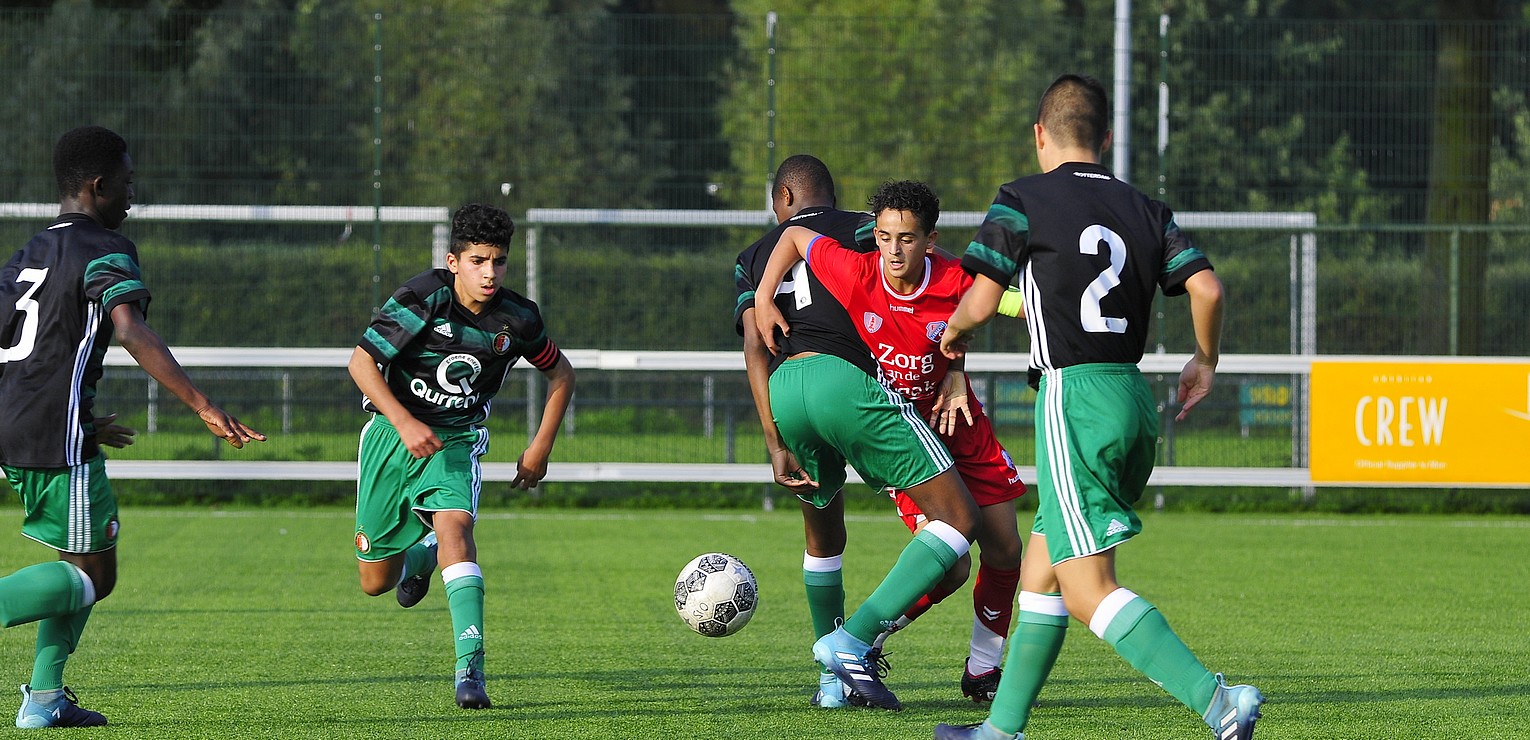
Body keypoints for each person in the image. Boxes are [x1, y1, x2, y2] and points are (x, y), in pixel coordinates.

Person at [931, 74, 1264, 740]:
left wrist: (956, 334)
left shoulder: (1021, 198)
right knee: (1043, 571)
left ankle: (1217, 701)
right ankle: (1001, 730)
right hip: (1130, 395)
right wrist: (1205, 360)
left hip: (1073, 399)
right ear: (1106, 138)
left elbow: (976, 296)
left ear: (1038, 135)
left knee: (1087, 587)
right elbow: (1209, 290)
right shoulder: (1147, 208)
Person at [0, 125, 266, 728]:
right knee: (95, 574)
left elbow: (18, 350)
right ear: (98, 186)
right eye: (127, 182)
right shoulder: (105, 247)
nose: (132, 195)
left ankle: (43, 701)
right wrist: (201, 404)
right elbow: (130, 328)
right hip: (53, 435)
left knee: (79, 565)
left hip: (27, 426)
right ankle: (42, 697)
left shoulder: (25, 255)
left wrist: (71, 414)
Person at [752, 179, 1028, 704]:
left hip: (959, 419)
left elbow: (1007, 303)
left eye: (906, 239)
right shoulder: (856, 269)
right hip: (901, 427)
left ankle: (983, 668)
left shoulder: (954, 277)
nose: (893, 251)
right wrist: (765, 296)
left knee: (1005, 545)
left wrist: (958, 366)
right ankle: (857, 639)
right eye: (883, 237)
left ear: (930, 239)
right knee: (953, 562)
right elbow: (793, 239)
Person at [347, 203, 575, 710]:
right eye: (477, 261)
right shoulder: (422, 298)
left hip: (456, 439)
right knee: (374, 582)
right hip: (391, 435)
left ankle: (469, 670)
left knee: (456, 527)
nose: (489, 273)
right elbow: (361, 363)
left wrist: (540, 446)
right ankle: (421, 556)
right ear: (453, 262)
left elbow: (562, 375)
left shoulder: (518, 316)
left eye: (498, 261)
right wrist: (405, 422)